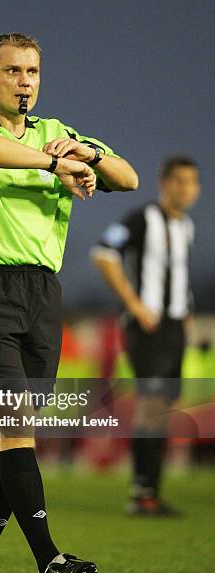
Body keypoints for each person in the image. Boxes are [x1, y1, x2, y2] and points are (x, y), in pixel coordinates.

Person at [0, 31, 138, 573]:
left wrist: (87, 156)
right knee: (17, 424)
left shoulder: (60, 134)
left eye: (32, 72)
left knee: (13, 438)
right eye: (12, 72)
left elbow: (127, 177)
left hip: (40, 294)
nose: (23, 82)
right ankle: (50, 560)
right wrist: (54, 167)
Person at [91, 156, 201, 516]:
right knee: (150, 403)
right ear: (165, 183)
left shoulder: (186, 227)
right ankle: (142, 492)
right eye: (180, 181)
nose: (187, 189)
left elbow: (176, 276)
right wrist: (135, 305)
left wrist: (184, 308)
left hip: (172, 328)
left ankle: (150, 488)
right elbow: (104, 253)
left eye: (193, 183)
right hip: (145, 327)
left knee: (165, 405)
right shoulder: (143, 218)